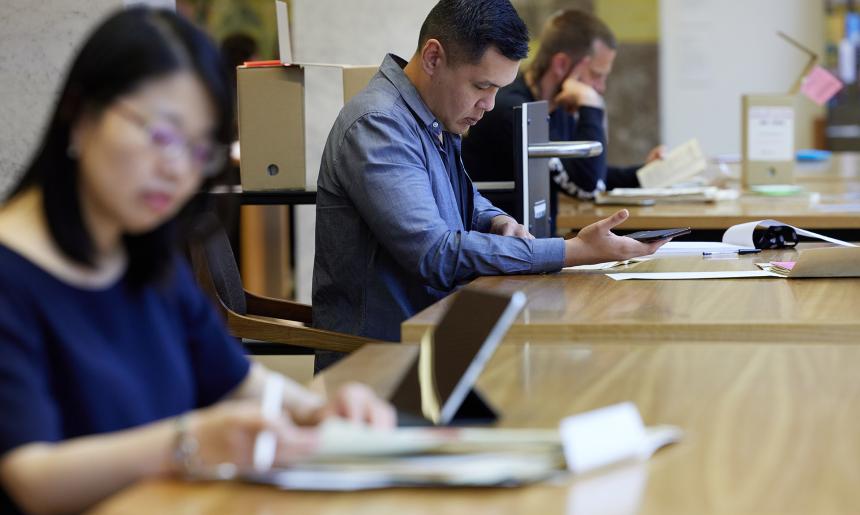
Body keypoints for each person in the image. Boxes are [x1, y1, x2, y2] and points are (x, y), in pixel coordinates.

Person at [0, 8, 394, 515]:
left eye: (197, 150)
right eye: (161, 135)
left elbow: (240, 384)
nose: (176, 170)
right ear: (79, 113)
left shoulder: (147, 258)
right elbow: (30, 476)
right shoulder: (13, 274)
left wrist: (319, 411)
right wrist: (188, 442)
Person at [312, 0, 667, 351]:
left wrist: (496, 219)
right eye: (482, 86)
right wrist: (571, 251)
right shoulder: (379, 125)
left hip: (440, 334)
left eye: (498, 89)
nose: (491, 105)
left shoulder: (432, 112)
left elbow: (456, 195)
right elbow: (435, 254)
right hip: (383, 361)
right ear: (434, 58)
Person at [461, 9, 666, 225]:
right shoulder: (513, 111)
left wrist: (645, 173)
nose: (600, 87)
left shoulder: (557, 108)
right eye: (596, 75)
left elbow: (586, 172)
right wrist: (591, 105)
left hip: (532, 246)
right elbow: (588, 186)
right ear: (561, 64)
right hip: (501, 251)